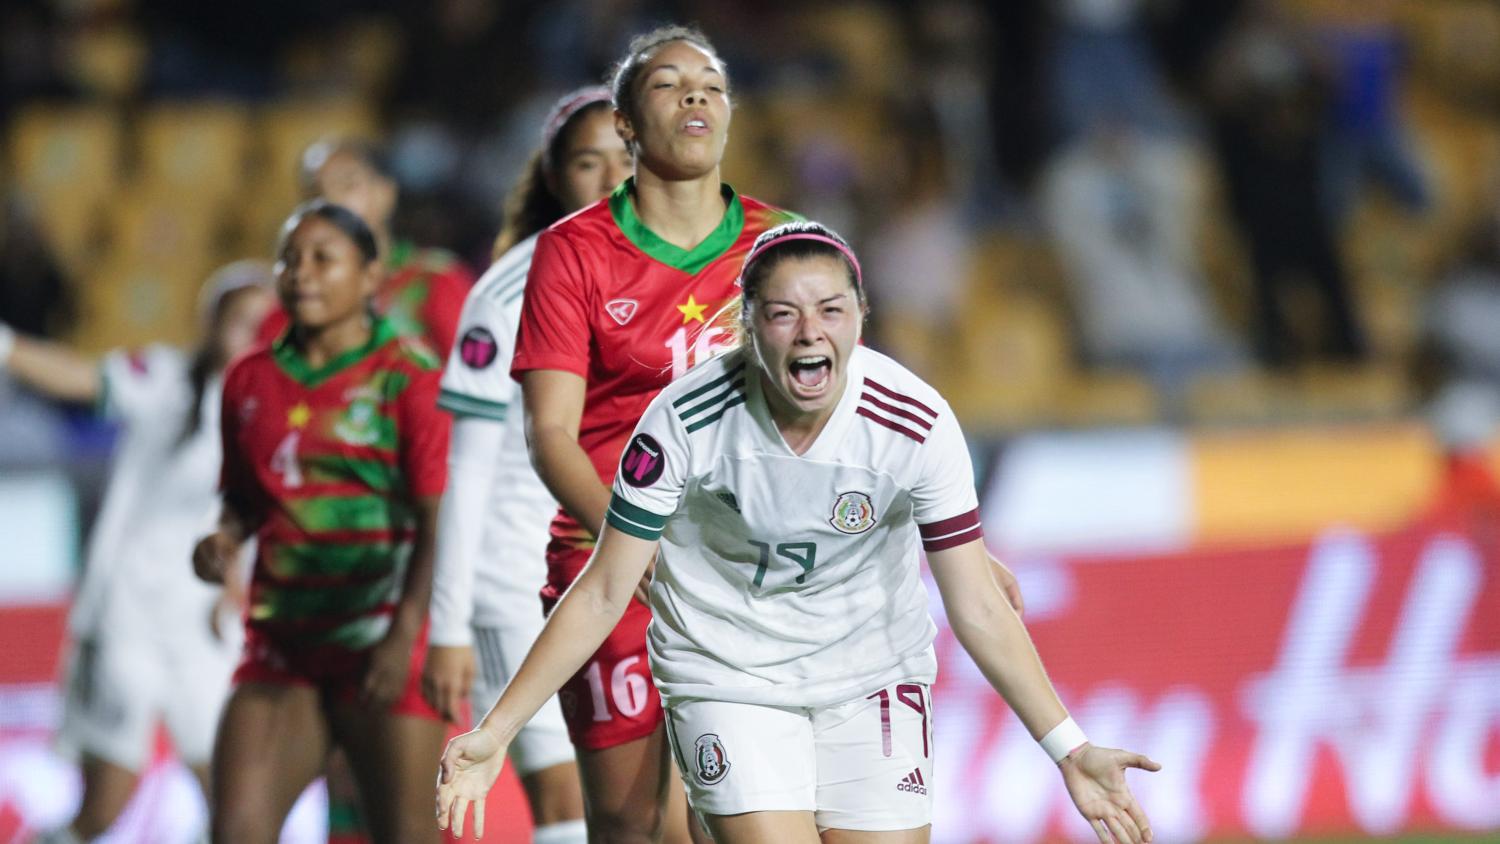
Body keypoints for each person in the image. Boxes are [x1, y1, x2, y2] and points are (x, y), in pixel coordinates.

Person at [437, 221, 1159, 843]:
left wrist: (1069, 748)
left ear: (860, 318)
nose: (810, 332)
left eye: (830, 310)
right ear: (746, 328)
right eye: (783, 314)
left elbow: (976, 603)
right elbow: (603, 590)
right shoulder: (683, 421)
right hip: (728, 674)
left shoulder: (916, 422)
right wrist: (494, 732)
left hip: (870, 674)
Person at [507, 25, 802, 843]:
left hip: (755, 569)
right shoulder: (573, 253)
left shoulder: (784, 244)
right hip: (613, 568)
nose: (697, 94)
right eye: (669, 84)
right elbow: (552, 434)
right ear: (628, 126)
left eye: (711, 82)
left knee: (760, 816)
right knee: (634, 822)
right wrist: (632, 544)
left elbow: (853, 412)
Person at [192, 201, 451, 843]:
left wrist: (405, 635)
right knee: (234, 831)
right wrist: (224, 536)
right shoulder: (249, 379)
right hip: (282, 649)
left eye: (322, 258)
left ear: (369, 277)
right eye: (290, 258)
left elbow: (440, 521)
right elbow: (244, 496)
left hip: (381, 644)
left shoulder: (409, 377)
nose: (301, 273)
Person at [0, 262, 274, 844]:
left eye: (265, 320)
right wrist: (8, 348)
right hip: (130, 618)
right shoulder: (167, 379)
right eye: (240, 316)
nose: (252, 330)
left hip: (205, 631)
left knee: (233, 806)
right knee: (104, 808)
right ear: (214, 322)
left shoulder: (277, 412)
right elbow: (83, 378)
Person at [422, 85, 631, 844]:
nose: (613, 180)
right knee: (569, 801)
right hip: (518, 582)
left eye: (627, 156)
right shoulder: (509, 291)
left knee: (641, 802)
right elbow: (464, 471)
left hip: (628, 576)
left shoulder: (679, 284)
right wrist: (447, 625)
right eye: (587, 163)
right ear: (554, 178)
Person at [256, 137, 474, 354]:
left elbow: (474, 377)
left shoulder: (435, 280)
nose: (330, 200)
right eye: (314, 193)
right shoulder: (296, 298)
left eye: (347, 185)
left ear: (385, 193)